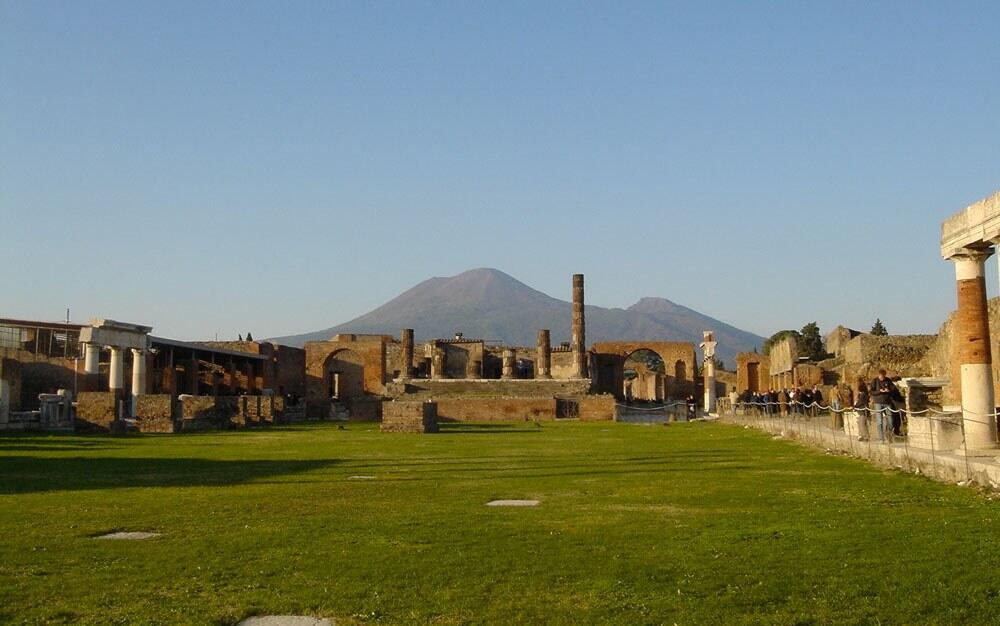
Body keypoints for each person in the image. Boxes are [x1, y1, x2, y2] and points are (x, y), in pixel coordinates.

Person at [870, 369, 897, 443]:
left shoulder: (888, 380)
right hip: (878, 403)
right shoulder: (874, 381)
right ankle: (881, 438)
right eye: (881, 376)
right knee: (879, 421)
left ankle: (888, 434)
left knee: (890, 420)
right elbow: (871, 392)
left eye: (884, 376)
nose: (882, 378)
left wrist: (889, 390)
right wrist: (879, 391)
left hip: (887, 402)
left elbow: (893, 388)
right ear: (879, 375)